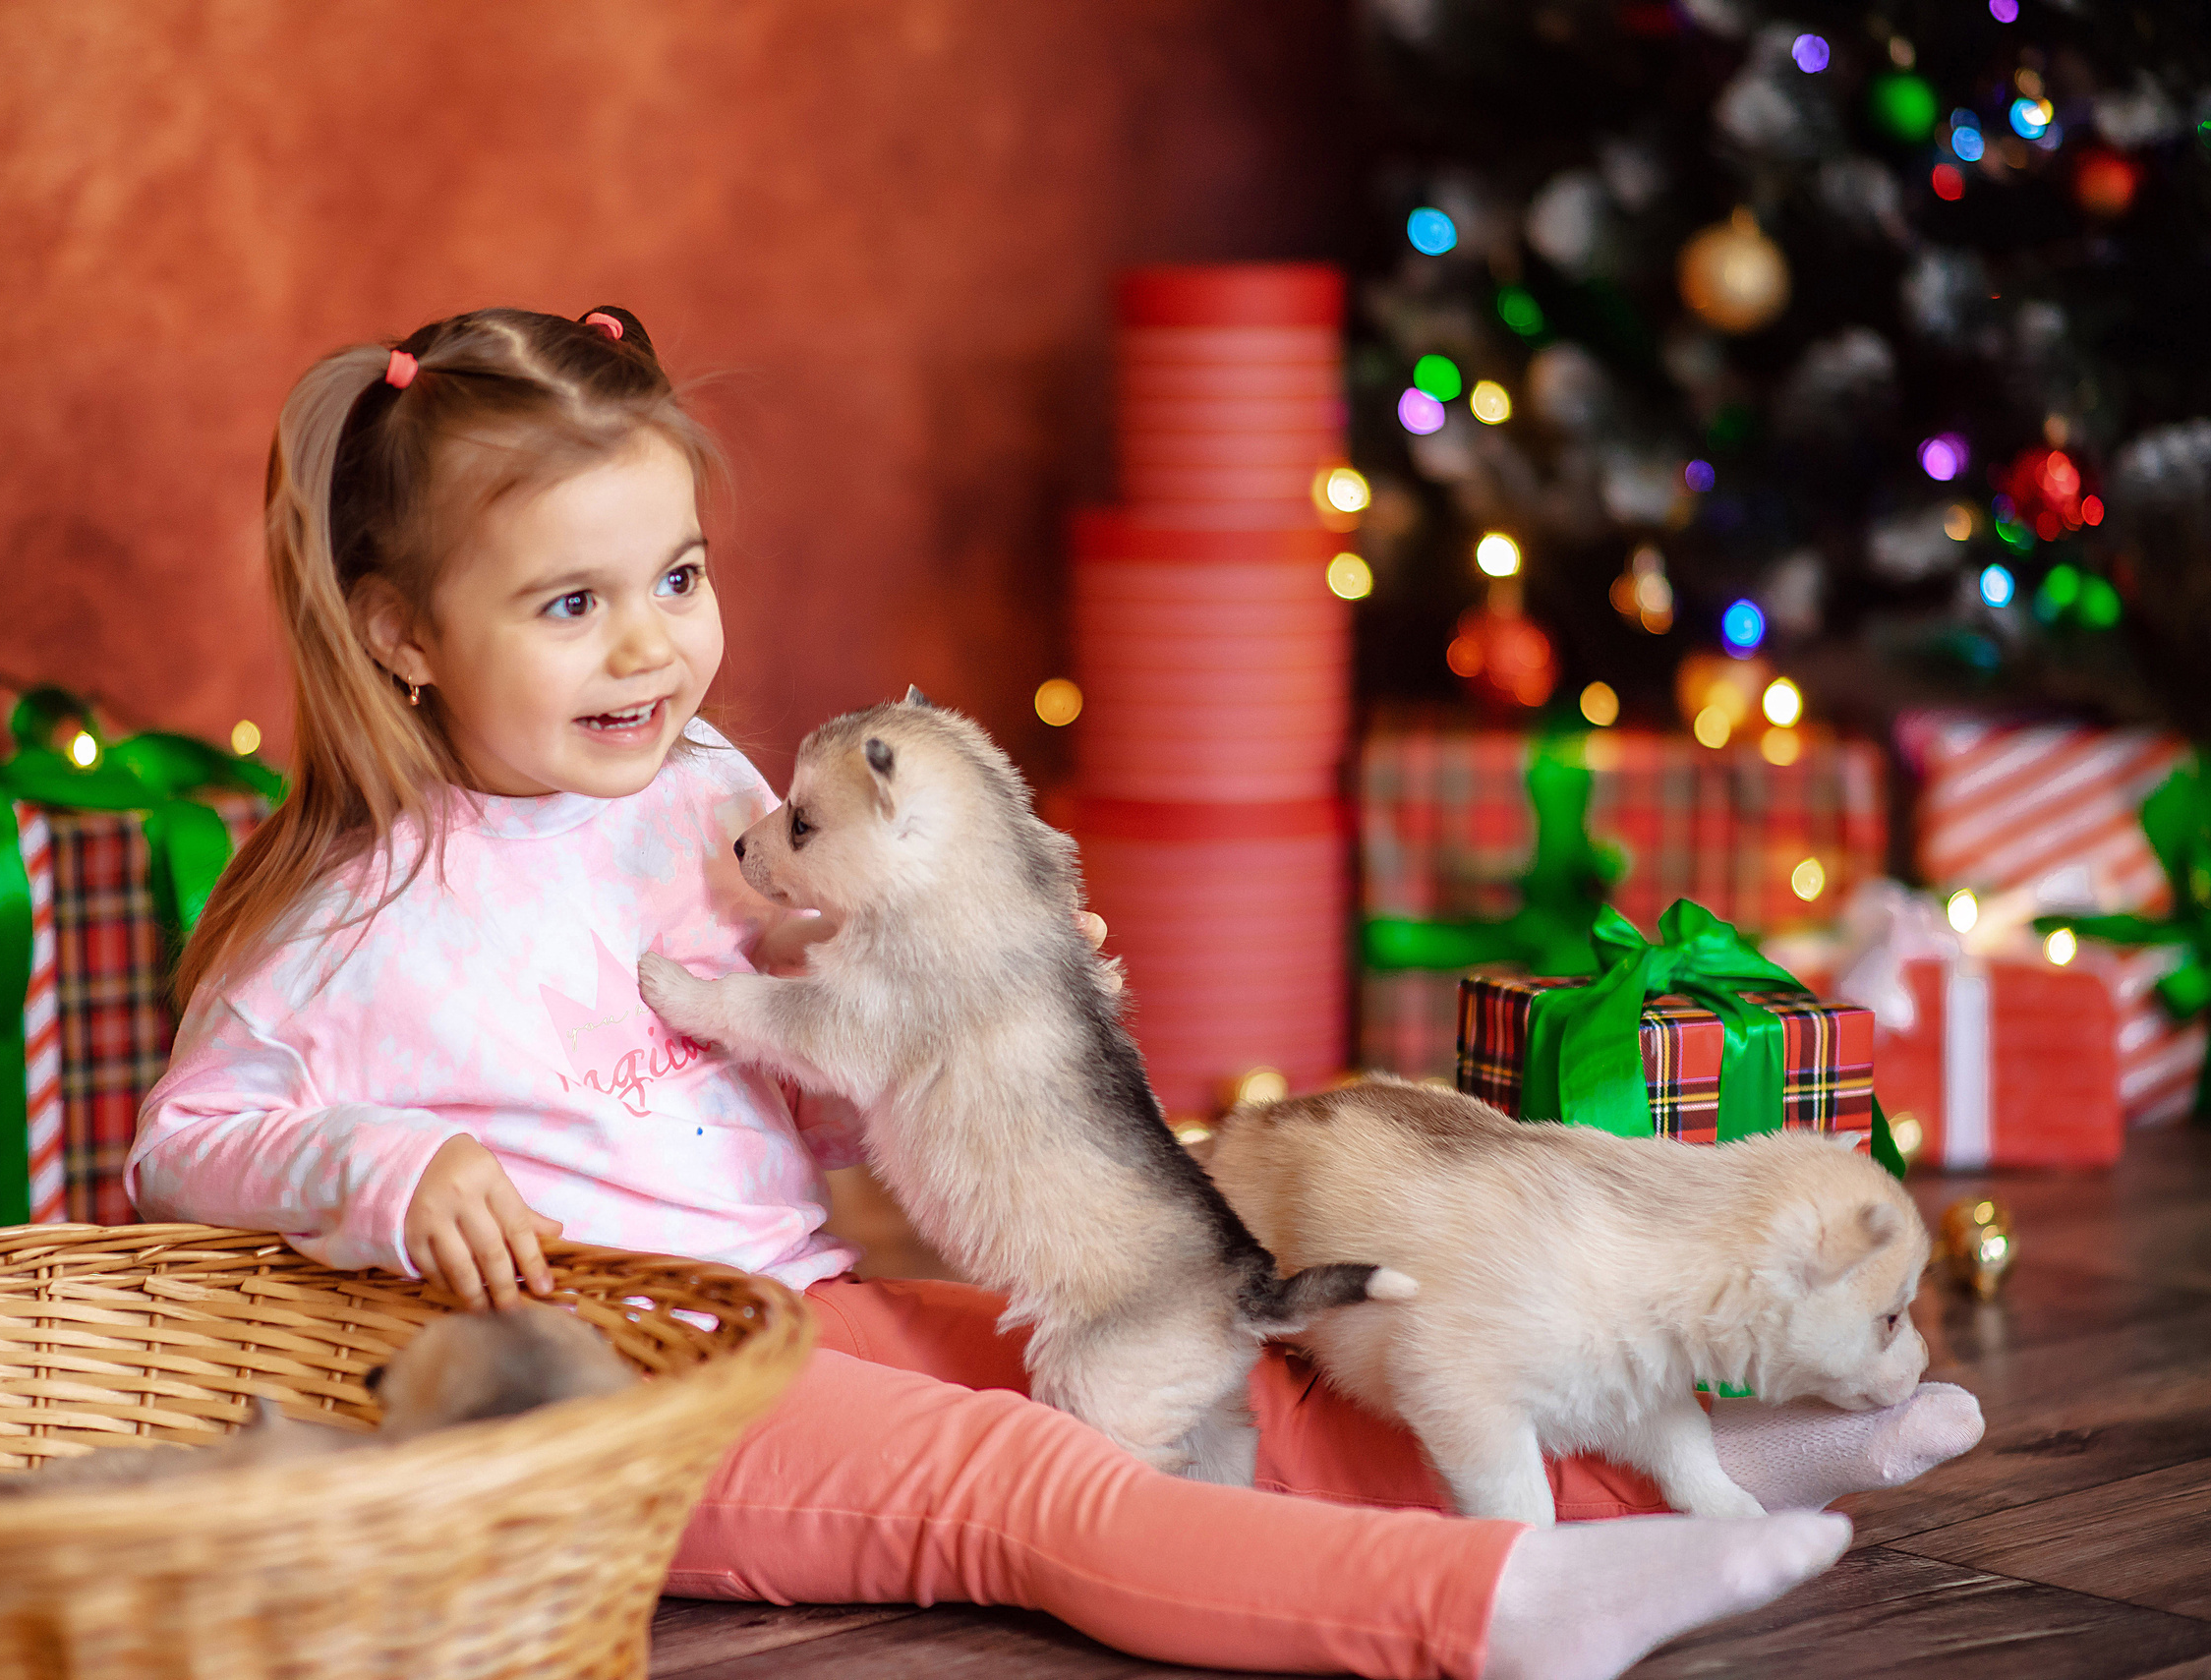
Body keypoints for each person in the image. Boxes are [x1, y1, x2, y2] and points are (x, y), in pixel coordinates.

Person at [133, 306, 1982, 1680]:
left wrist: (987, 1017)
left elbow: (849, 1060)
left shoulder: (704, 792)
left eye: (677, 576)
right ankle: (1479, 1607)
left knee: (1199, 1349)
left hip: (799, 1304)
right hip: (616, 1403)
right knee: (1030, 1477)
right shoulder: (360, 913)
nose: (651, 644)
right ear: (397, 634)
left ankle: (1688, 1481)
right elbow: (183, 1141)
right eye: (568, 606)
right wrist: (379, 1165)